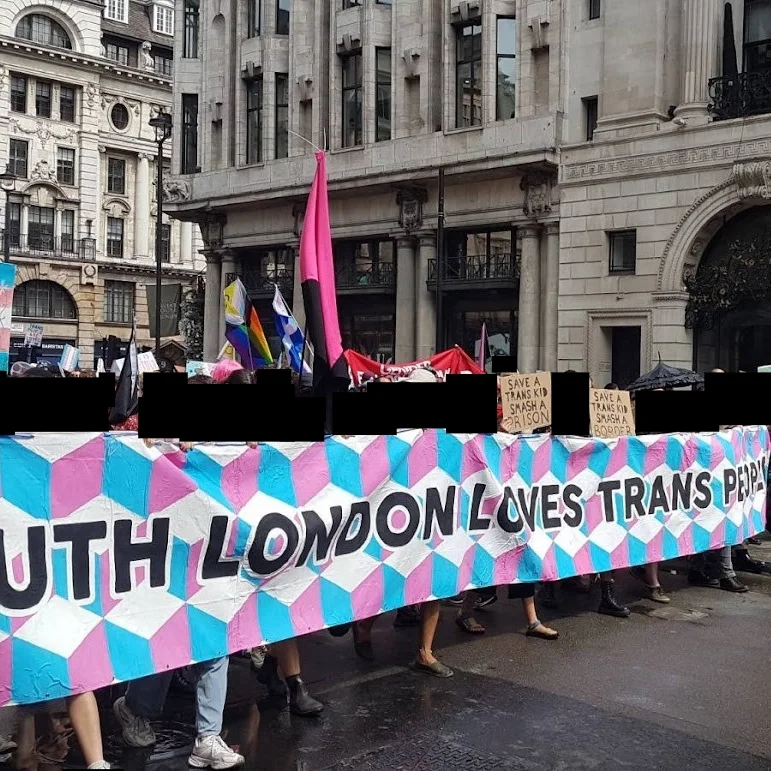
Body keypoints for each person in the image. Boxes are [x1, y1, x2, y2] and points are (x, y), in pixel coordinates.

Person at [18, 368, 111, 769]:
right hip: (27, 574)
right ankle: (33, 749)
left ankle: (85, 759)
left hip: (61, 573)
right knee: (31, 663)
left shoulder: (80, 444)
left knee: (71, 667)